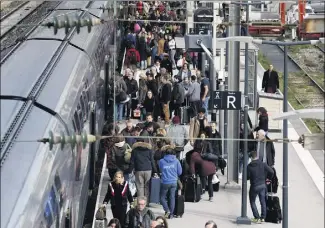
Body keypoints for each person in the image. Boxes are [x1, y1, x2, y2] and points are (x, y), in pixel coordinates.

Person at [247, 151, 274, 223]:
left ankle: (257, 217)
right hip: (262, 185)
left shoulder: (249, 166)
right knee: (263, 201)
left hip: (254, 186)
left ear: (251, 158)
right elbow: (271, 171)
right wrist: (268, 178)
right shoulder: (263, 164)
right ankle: (263, 218)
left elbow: (247, 177)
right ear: (257, 156)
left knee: (252, 201)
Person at [159, 148, 182, 219]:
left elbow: (160, 170)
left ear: (165, 153)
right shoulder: (176, 161)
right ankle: (171, 214)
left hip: (165, 182)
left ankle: (167, 210)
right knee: (172, 197)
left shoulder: (161, 161)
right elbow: (180, 172)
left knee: (162, 198)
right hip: (174, 182)